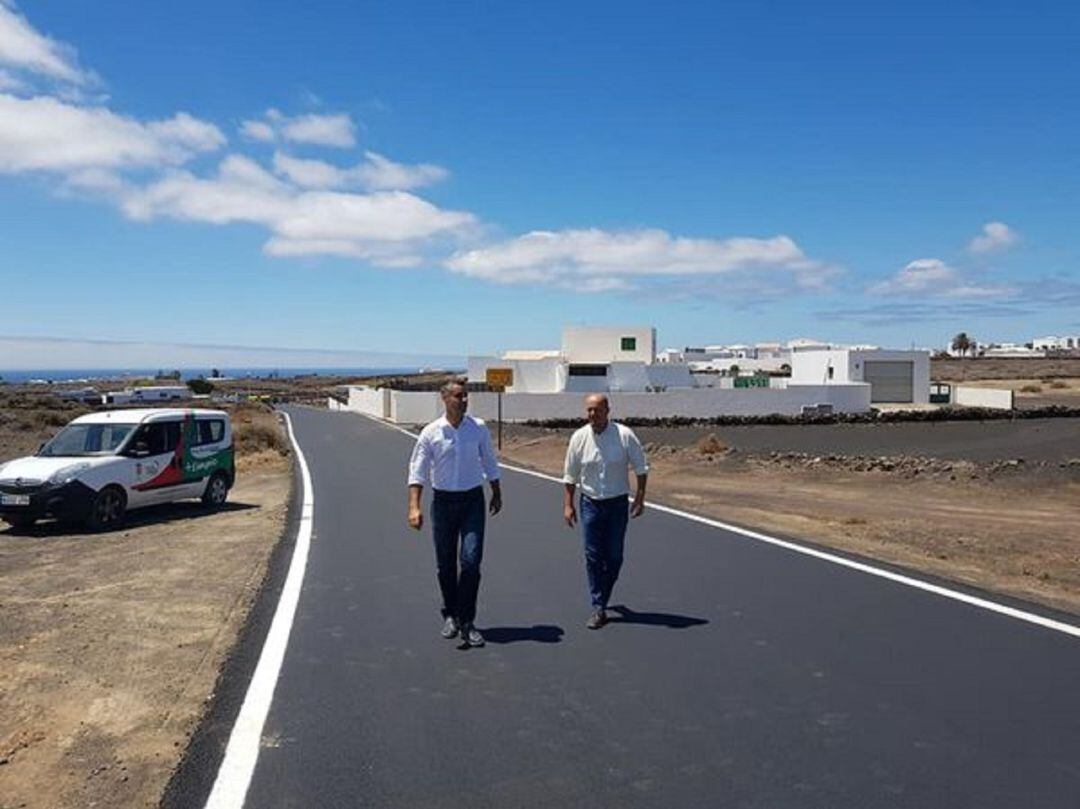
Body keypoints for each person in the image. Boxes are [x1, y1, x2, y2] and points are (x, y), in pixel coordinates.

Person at [408, 380, 502, 647]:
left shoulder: (478, 428)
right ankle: (450, 614)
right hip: (443, 502)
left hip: (473, 500)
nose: (464, 400)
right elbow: (418, 470)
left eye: (465, 396)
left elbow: (489, 460)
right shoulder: (431, 433)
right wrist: (414, 506)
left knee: (471, 562)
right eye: (458, 396)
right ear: (445, 399)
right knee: (446, 563)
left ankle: (467, 619)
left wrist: (496, 490)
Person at [563, 393, 649, 629]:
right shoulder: (579, 437)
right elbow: (570, 475)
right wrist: (568, 504)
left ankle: (603, 593)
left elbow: (641, 468)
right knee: (592, 556)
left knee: (614, 557)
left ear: (607, 411)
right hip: (590, 503)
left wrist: (640, 498)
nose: (593, 414)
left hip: (617, 504)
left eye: (597, 410)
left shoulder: (624, 435)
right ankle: (598, 606)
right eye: (589, 410)